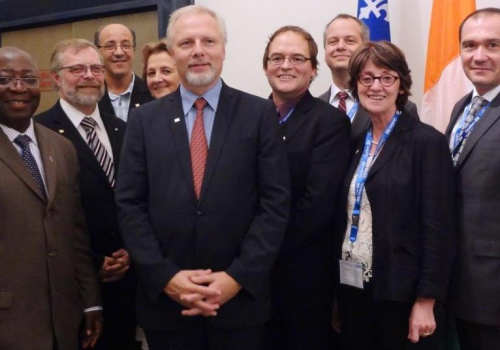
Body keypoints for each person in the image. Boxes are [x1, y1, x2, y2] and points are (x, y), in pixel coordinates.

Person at [115, 5, 290, 350]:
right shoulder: (144, 121)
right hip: (167, 307)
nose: (198, 50)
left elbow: (275, 204)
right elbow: (129, 204)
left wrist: (238, 277)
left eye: (208, 41)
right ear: (172, 51)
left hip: (240, 305)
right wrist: (166, 277)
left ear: (223, 49)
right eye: (186, 42)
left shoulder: (258, 114)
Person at [336, 41, 455, 350]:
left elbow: (438, 229)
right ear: (356, 85)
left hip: (403, 295)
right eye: (366, 77)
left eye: (387, 77)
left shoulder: (426, 143)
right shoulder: (354, 141)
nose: (376, 86)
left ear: (401, 85)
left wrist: (426, 299)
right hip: (355, 289)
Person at [35, 39, 140, 350]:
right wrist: (96, 262)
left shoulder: (124, 128)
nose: (89, 76)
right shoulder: (40, 132)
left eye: (96, 68)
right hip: (74, 288)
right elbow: (48, 215)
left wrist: (131, 250)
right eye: (77, 69)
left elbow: (137, 197)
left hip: (130, 278)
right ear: (56, 78)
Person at [0, 46, 102, 349]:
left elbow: (75, 232)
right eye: (5, 79)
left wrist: (91, 302)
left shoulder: (62, 148)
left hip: (64, 321)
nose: (18, 88)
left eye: (28, 79)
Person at [262, 25, 350, 350]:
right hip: (252, 280)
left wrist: (261, 247)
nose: (286, 65)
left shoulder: (329, 122)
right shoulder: (249, 117)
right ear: (266, 66)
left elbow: (317, 206)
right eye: (277, 58)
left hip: (303, 280)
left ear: (313, 69)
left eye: (298, 58)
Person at [445, 8, 500, 350]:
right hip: (462, 285)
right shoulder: (463, 107)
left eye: (493, 45)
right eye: (470, 46)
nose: (479, 56)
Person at [320, 14, 418, 141]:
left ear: (365, 48)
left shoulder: (400, 107)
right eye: (333, 41)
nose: (340, 46)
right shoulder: (313, 108)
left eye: (350, 41)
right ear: (325, 51)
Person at [94, 23, 153, 121]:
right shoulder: (90, 98)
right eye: (110, 46)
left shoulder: (152, 92)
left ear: (134, 49)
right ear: (98, 52)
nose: (119, 52)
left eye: (126, 45)